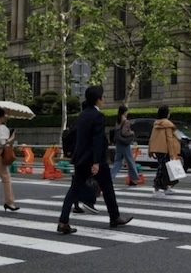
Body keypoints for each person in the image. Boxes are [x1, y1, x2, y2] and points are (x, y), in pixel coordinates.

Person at [57, 85, 132, 234]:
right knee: (107, 187)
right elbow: (97, 140)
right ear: (98, 100)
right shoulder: (98, 116)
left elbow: (75, 135)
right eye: (102, 97)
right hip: (94, 159)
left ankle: (63, 221)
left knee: (74, 189)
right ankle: (114, 216)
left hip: (80, 158)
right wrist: (97, 162)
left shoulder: (82, 115)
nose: (104, 99)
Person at [148, 105, 182, 197]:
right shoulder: (167, 124)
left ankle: (166, 187)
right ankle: (157, 189)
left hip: (158, 150)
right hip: (166, 150)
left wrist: (150, 150)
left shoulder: (156, 124)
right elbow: (169, 139)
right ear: (167, 114)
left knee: (164, 169)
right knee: (163, 170)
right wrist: (171, 153)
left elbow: (152, 138)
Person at [110, 105, 140, 186]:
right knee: (130, 161)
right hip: (124, 143)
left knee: (118, 161)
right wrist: (132, 132)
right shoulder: (125, 121)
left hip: (118, 143)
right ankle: (134, 179)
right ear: (124, 112)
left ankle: (110, 177)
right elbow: (124, 132)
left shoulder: (118, 121)